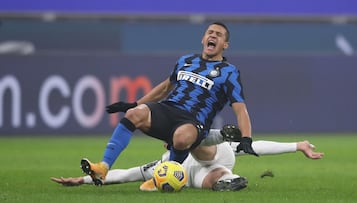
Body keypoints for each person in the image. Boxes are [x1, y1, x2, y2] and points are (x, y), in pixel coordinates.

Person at [81, 22, 257, 186]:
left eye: (219, 35)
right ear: (203, 39)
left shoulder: (229, 72)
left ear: (225, 45)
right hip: (168, 108)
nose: (213, 36)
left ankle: (163, 178)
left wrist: (247, 138)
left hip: (194, 121)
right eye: (210, 32)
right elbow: (165, 88)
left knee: (181, 138)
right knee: (134, 114)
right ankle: (102, 168)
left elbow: (240, 109)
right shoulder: (186, 61)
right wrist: (133, 104)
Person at [52, 132, 324, 191]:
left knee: (204, 150)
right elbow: (124, 175)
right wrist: (83, 180)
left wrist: (296, 146)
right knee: (211, 180)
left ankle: (201, 138)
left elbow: (255, 147)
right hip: (198, 174)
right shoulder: (162, 166)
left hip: (215, 153)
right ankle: (228, 182)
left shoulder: (167, 159)